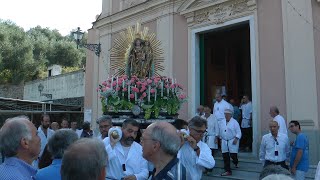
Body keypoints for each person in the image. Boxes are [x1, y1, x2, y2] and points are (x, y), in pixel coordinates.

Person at [218, 108, 242, 176]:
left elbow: (239, 132)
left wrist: (236, 138)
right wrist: (220, 138)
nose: (226, 116)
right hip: (224, 141)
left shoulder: (235, 122)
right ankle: (228, 170)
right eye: (225, 114)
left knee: (233, 155)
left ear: (231, 115)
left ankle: (235, 162)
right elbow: (221, 131)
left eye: (227, 114)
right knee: (225, 155)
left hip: (232, 140)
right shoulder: (222, 122)